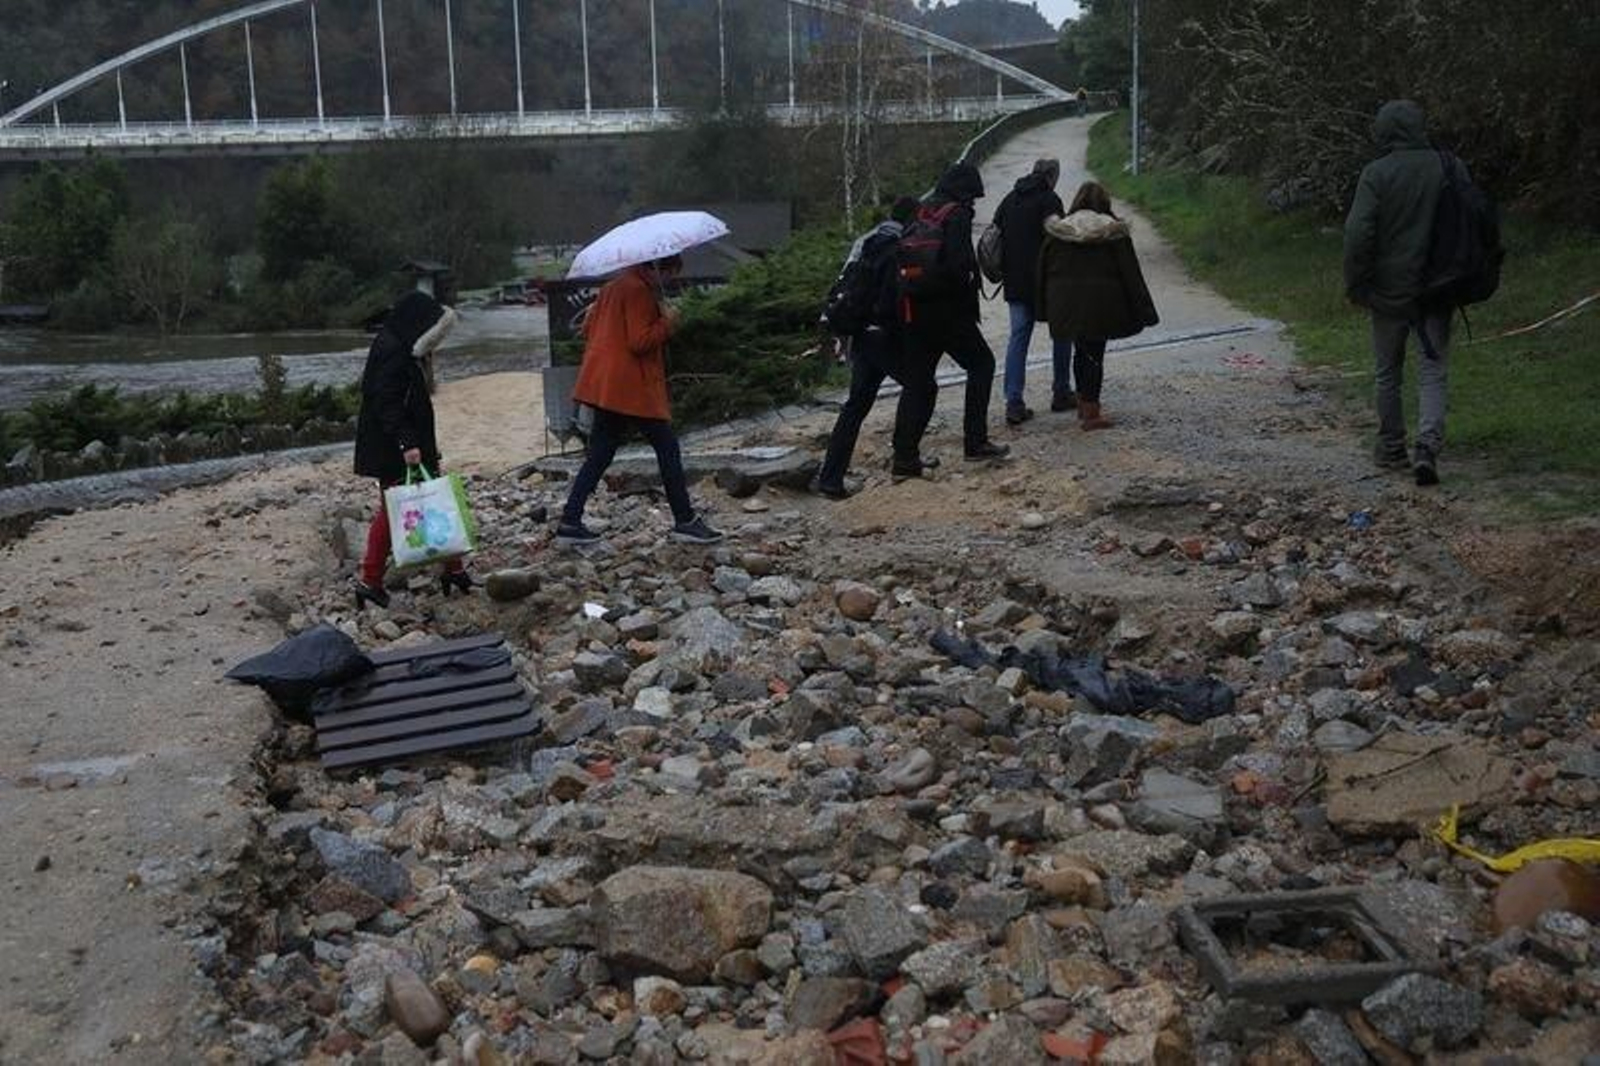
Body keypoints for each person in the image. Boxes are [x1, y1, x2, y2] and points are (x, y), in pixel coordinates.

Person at [555, 254, 723, 546]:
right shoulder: (638, 290)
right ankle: (685, 520)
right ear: (659, 267)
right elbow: (639, 341)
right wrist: (668, 322)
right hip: (632, 388)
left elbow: (586, 329)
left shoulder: (612, 286)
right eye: (671, 272)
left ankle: (570, 520)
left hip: (605, 385)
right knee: (667, 448)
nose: (670, 279)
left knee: (600, 453)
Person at [1343, 99, 1459, 486]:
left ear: (1384, 132)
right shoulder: (1449, 166)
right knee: (1433, 371)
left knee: (1387, 372)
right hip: (1440, 288)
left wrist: (1357, 283)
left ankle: (1392, 446)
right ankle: (1427, 447)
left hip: (1389, 292)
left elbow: (1359, 234)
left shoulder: (1377, 173)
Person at [351, 291, 470, 608]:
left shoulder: (399, 345)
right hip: (395, 446)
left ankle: (453, 569)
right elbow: (386, 402)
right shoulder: (395, 351)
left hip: (402, 442)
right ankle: (370, 580)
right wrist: (408, 443)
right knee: (395, 511)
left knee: (433, 500)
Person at [814, 196, 938, 498]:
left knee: (856, 406)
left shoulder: (868, 241)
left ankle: (830, 478)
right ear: (913, 218)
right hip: (883, 335)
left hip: (860, 334)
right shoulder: (898, 248)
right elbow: (895, 298)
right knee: (923, 387)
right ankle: (905, 458)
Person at [900, 160, 1009, 469]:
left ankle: (904, 457)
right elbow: (958, 265)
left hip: (915, 309)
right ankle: (975, 442)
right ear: (965, 192)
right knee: (982, 365)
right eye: (973, 196)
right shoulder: (957, 215)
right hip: (949, 313)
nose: (973, 202)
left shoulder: (921, 210)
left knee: (918, 382)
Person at [1036, 181, 1158, 429]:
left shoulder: (1059, 232)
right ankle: (1091, 412)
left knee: (1081, 351)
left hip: (1066, 305)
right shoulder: (1113, 233)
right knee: (1094, 355)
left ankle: (1083, 403)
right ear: (1105, 203)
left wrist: (1042, 308)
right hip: (1101, 306)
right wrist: (1145, 311)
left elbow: (1042, 271)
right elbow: (1131, 275)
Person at [993, 158, 1072, 425]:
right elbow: (1061, 239)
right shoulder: (1050, 200)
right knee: (1062, 333)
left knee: (1018, 337)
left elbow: (995, 234)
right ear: (1051, 176)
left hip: (1015, 281)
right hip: (1047, 281)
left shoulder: (1009, 199)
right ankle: (1061, 391)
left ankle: (1013, 402)